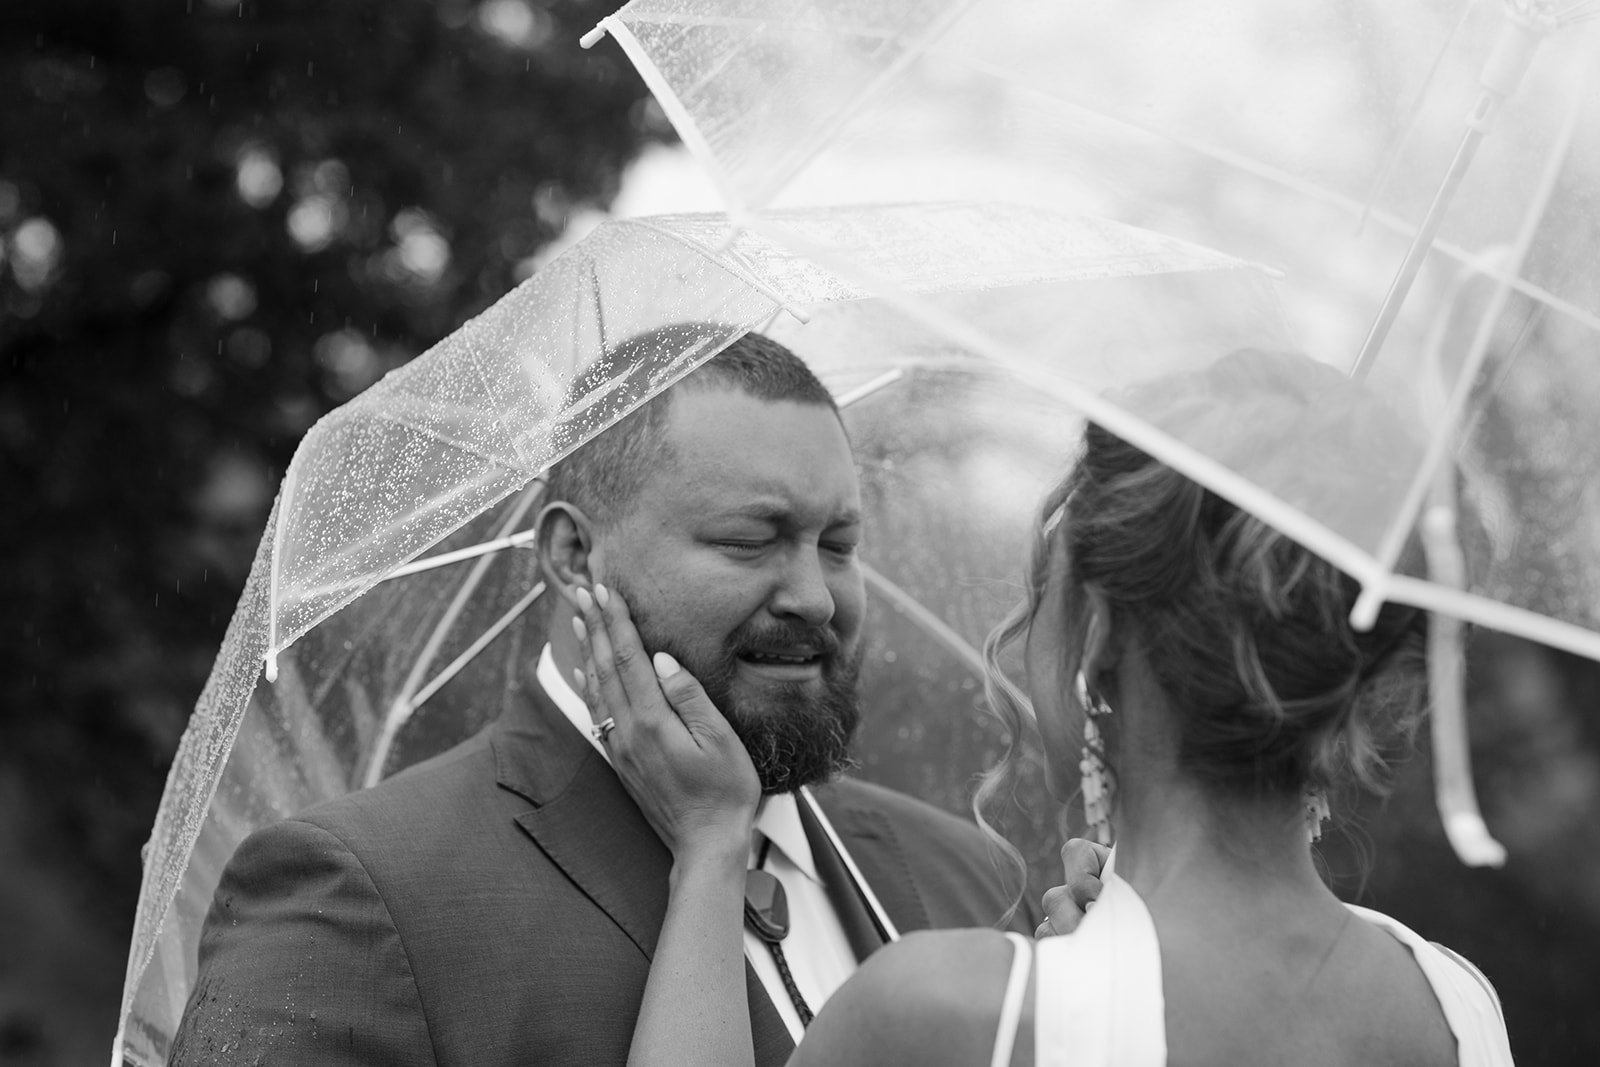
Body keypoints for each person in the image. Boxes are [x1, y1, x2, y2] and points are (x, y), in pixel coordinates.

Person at [581, 349, 1516, 1066]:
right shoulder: (1456, 1005)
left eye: (1045, 591)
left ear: (1099, 628)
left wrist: (712, 848)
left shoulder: (939, 1015)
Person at [167, 329, 1033, 1067]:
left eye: (838, 545)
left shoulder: (976, 881)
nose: (814, 596)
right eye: (749, 539)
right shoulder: (359, 894)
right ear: (575, 557)